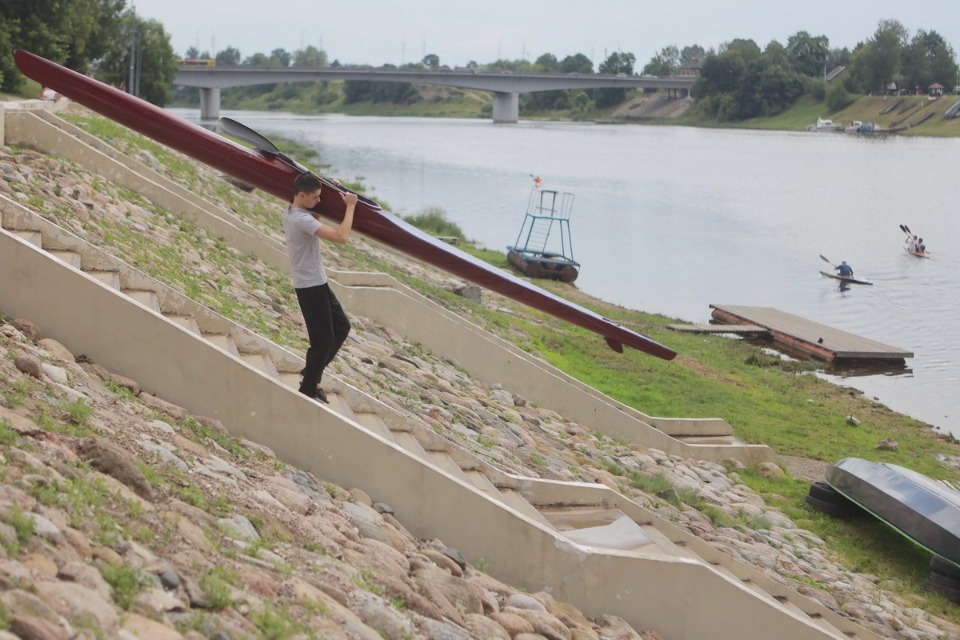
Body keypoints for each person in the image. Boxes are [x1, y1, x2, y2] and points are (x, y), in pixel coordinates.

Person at [283, 172, 359, 404]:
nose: (318, 201)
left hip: (317, 280)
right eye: (315, 197)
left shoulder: (292, 210)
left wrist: (331, 186)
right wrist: (350, 207)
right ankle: (308, 389)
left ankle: (311, 373)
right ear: (302, 195)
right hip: (309, 285)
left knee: (342, 327)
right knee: (323, 340)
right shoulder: (300, 219)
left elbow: (314, 210)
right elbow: (341, 237)